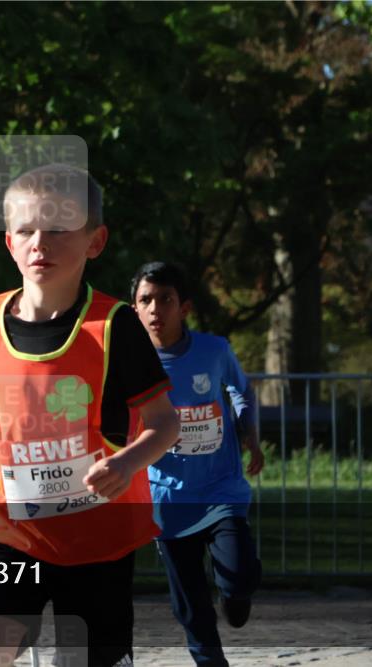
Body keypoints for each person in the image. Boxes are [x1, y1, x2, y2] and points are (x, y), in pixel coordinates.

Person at [0, 164, 181, 667]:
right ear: (9, 242)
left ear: (95, 240)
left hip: (98, 541)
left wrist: (127, 463)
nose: (39, 242)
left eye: (58, 229)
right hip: (13, 532)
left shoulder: (115, 326)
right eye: (26, 230)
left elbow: (165, 422)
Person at [130, 261, 264, 667]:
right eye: (145, 300)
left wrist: (250, 436)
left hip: (220, 487)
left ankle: (235, 593)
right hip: (167, 495)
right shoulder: (127, 363)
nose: (156, 310)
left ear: (183, 306)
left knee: (239, 572)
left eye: (165, 300)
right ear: (133, 309)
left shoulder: (214, 350)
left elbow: (242, 392)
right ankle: (209, 661)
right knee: (188, 600)